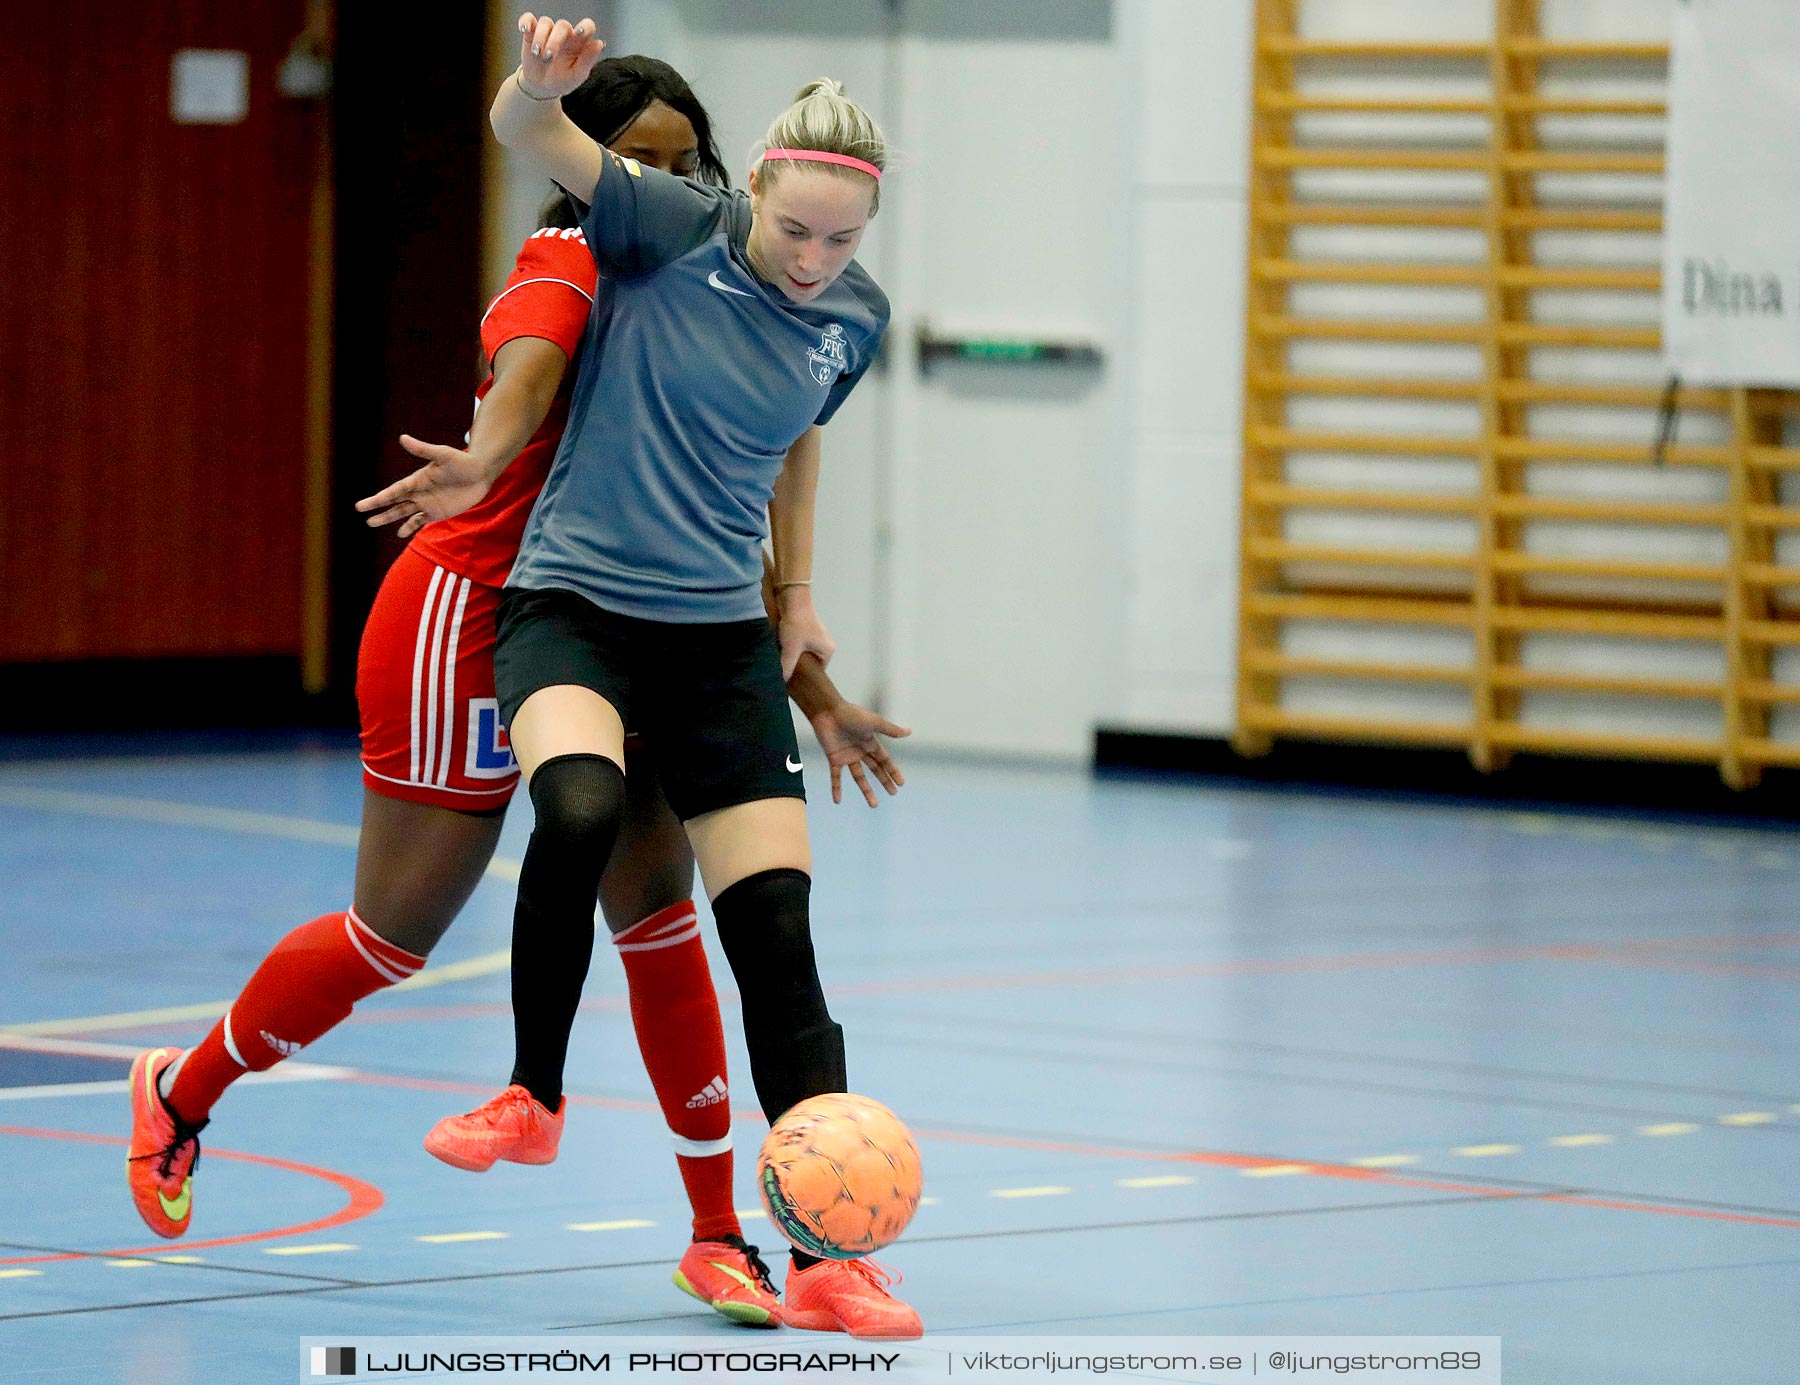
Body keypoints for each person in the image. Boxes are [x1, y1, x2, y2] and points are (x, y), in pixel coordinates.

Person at [123, 54, 910, 1333]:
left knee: (663, 925)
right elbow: (530, 384)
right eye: (632, 159)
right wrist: (486, 455)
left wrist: (805, 658)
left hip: (638, 633)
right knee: (396, 935)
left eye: (680, 159)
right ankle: (183, 1086)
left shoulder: (747, 276)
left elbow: (779, 439)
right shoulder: (568, 262)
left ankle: (721, 1235)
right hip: (472, 610)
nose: (656, 180)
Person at [414, 12, 922, 1341]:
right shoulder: (665, 227)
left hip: (715, 648)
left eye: (842, 242)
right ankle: (531, 1097)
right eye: (795, 231)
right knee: (578, 810)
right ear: (752, 192)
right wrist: (538, 85)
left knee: (779, 941)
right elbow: (525, 136)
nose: (815, 263)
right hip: (572, 610)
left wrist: (798, 598)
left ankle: (828, 1260)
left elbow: (795, 434)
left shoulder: (849, 318)